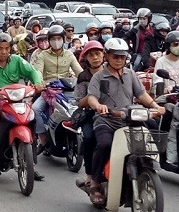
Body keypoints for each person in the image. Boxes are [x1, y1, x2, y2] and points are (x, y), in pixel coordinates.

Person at [86, 38, 165, 206]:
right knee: (105, 144)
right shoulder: (99, 77)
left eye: (122, 57)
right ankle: (95, 182)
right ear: (107, 56)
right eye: (115, 56)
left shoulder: (130, 74)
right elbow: (91, 97)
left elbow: (141, 94)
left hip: (129, 119)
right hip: (106, 120)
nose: (119, 60)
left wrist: (155, 106)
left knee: (147, 139)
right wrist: (98, 106)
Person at [0, 33, 44, 179]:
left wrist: (37, 83)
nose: (4, 52)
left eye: (7, 48)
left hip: (18, 101)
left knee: (33, 119)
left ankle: (32, 164)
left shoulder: (17, 61)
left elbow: (32, 72)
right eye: (0, 48)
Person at [32, 24, 84, 153]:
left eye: (59, 38)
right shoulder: (42, 55)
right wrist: (39, 83)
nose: (56, 42)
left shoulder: (69, 55)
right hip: (48, 91)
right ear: (49, 40)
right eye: (53, 39)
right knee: (35, 109)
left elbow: (79, 72)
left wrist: (87, 80)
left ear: (63, 39)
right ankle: (42, 138)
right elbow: (38, 71)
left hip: (66, 90)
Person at [155, 30, 179, 164]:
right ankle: (170, 157)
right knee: (174, 122)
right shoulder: (161, 62)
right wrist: (164, 89)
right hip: (168, 99)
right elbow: (158, 84)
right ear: (168, 46)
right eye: (175, 44)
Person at [68, 40, 104, 189]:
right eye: (91, 55)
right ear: (86, 58)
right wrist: (91, 98)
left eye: (98, 54)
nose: (95, 57)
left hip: (114, 113)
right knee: (89, 139)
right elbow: (79, 101)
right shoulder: (83, 77)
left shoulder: (112, 71)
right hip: (90, 115)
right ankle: (89, 174)